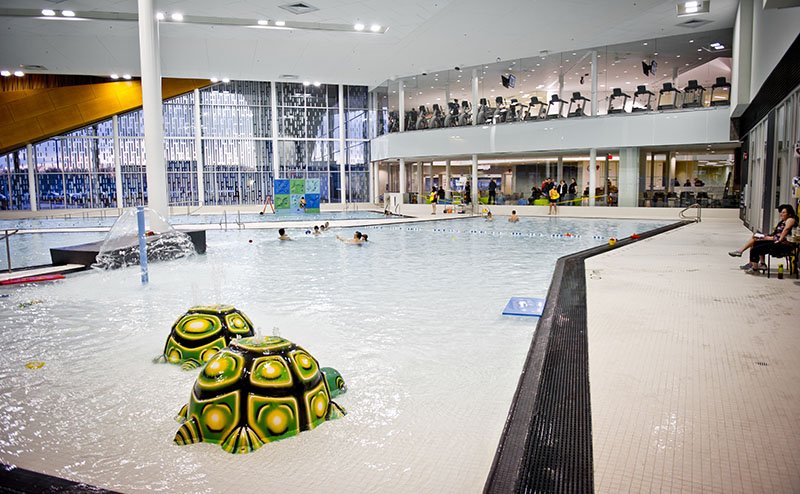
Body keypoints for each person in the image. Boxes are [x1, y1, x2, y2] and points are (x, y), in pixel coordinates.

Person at [729, 204, 797, 274]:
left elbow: (786, 230)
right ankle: (759, 263)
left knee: (755, 243)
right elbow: (778, 232)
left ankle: (752, 264)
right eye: (781, 212)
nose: (781, 214)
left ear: (789, 214)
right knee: (755, 240)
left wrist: (776, 239)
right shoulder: (783, 221)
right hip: (774, 239)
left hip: (780, 242)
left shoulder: (790, 220)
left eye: (783, 212)